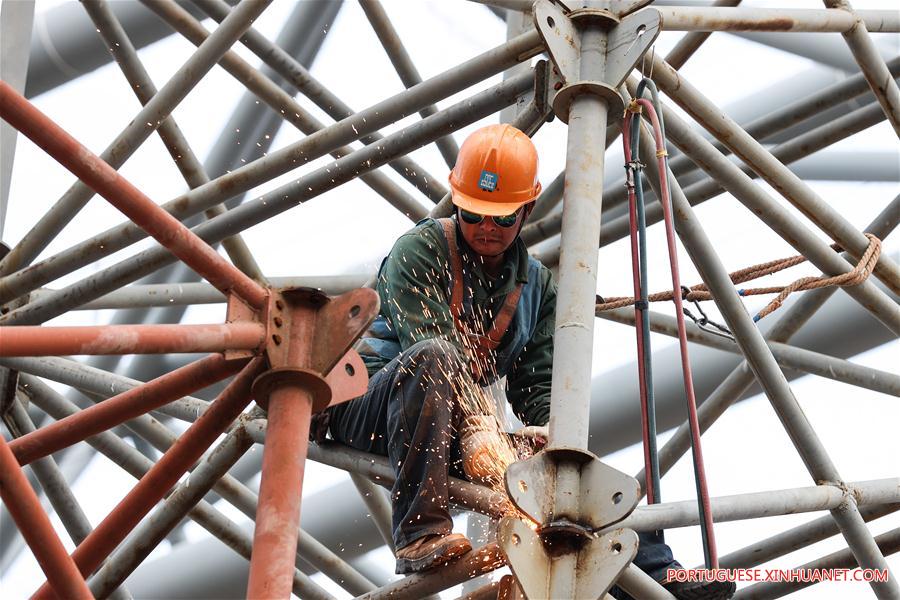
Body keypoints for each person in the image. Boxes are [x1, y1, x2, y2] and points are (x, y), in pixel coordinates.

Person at [323, 124, 735, 600]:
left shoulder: (537, 288)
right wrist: (484, 428)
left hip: (446, 428)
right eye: (474, 214)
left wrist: (551, 441)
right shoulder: (420, 250)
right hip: (369, 405)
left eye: (502, 219)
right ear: (457, 203)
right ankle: (419, 533)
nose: (485, 228)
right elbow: (430, 344)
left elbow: (537, 386)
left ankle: (655, 580)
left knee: (573, 476)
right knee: (433, 359)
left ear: (527, 210)